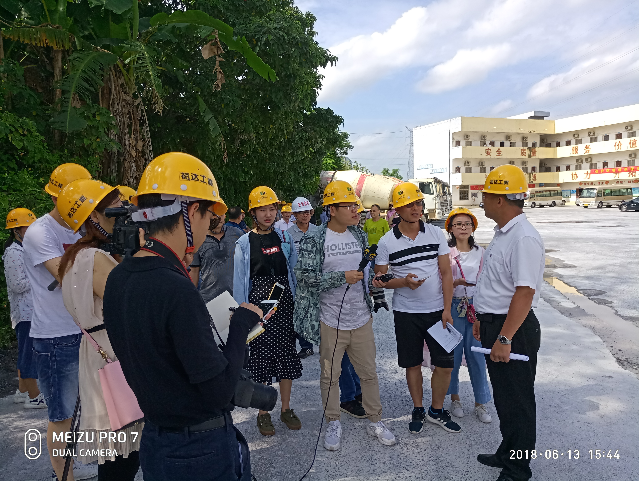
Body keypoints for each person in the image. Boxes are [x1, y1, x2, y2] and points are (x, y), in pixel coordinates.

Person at [104, 152, 261, 480]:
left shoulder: (118, 277)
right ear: (191, 212)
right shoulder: (175, 289)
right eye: (209, 216)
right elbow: (219, 391)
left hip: (156, 440)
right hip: (198, 450)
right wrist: (241, 325)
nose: (209, 225)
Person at [294, 180, 396, 452]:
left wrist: (376, 284)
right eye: (349, 206)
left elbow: (365, 275)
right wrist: (341, 277)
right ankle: (333, 422)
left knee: (369, 373)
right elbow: (304, 277)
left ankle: (375, 420)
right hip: (330, 321)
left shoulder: (359, 235)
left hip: (361, 318)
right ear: (332, 209)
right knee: (330, 376)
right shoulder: (315, 238)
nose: (356, 211)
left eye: (356, 206)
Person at [56, 180, 143, 480]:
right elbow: (132, 303)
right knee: (123, 454)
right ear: (94, 216)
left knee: (121, 452)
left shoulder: (77, 256)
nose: (123, 212)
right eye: (115, 207)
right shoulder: (94, 259)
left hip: (100, 354)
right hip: (114, 355)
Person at [22, 163, 97, 481]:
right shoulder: (40, 232)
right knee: (62, 414)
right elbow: (69, 276)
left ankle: (75, 462)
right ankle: (63, 476)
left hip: (88, 331)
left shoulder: (84, 228)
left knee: (88, 408)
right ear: (56, 198)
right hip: (56, 336)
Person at [473, 165, 544, 481]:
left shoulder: (523, 237)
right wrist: (483, 320)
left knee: (517, 401)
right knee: (505, 397)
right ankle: (508, 451)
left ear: (500, 199)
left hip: (513, 329)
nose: (483, 201)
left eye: (486, 196)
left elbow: (524, 293)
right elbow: (497, 284)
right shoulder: (504, 233)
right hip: (497, 324)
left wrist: (504, 338)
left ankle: (518, 467)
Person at [372, 182, 459, 435]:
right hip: (406, 313)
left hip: (436, 312)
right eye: (409, 205)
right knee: (412, 364)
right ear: (396, 209)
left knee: (445, 365)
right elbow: (379, 279)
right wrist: (403, 282)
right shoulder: (387, 242)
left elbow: (446, 273)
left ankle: (436, 410)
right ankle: (418, 408)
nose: (416, 208)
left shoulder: (435, 234)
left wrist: (447, 309)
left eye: (418, 203)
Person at [233, 186, 302, 437]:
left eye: (272, 209)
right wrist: (241, 312)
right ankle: (263, 412)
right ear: (253, 213)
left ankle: (286, 408)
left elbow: (293, 271)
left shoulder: (285, 239)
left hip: (284, 305)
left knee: (286, 355)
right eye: (262, 209)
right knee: (261, 358)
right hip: (258, 308)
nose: (268, 214)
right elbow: (239, 280)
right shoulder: (244, 243)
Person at [443, 208, 492, 424]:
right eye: (458, 224)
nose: (463, 227)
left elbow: (487, 281)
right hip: (453, 306)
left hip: (475, 307)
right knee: (453, 355)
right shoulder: (445, 252)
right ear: (450, 229)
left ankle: (481, 403)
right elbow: (439, 280)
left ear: (473, 227)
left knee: (477, 355)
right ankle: (455, 399)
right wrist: (454, 284)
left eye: (467, 224)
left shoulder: (481, 252)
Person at [3, 208, 45, 409]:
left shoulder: (25, 249)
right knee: (29, 353)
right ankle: (34, 397)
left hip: (32, 310)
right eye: (27, 227)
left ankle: (22, 391)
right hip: (25, 312)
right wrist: (40, 277)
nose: (31, 230)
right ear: (16, 230)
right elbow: (17, 285)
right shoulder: (13, 253)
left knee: (26, 350)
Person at [189, 207, 243, 300]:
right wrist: (192, 297)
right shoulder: (199, 238)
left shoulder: (236, 233)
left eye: (221, 213)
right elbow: (194, 271)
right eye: (214, 214)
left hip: (236, 296)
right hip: (209, 298)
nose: (218, 217)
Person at [287, 196, 317, 359]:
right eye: (301, 212)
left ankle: (325, 343)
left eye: (308, 212)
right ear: (295, 215)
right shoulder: (288, 235)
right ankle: (306, 346)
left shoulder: (318, 231)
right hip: (297, 280)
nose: (305, 215)